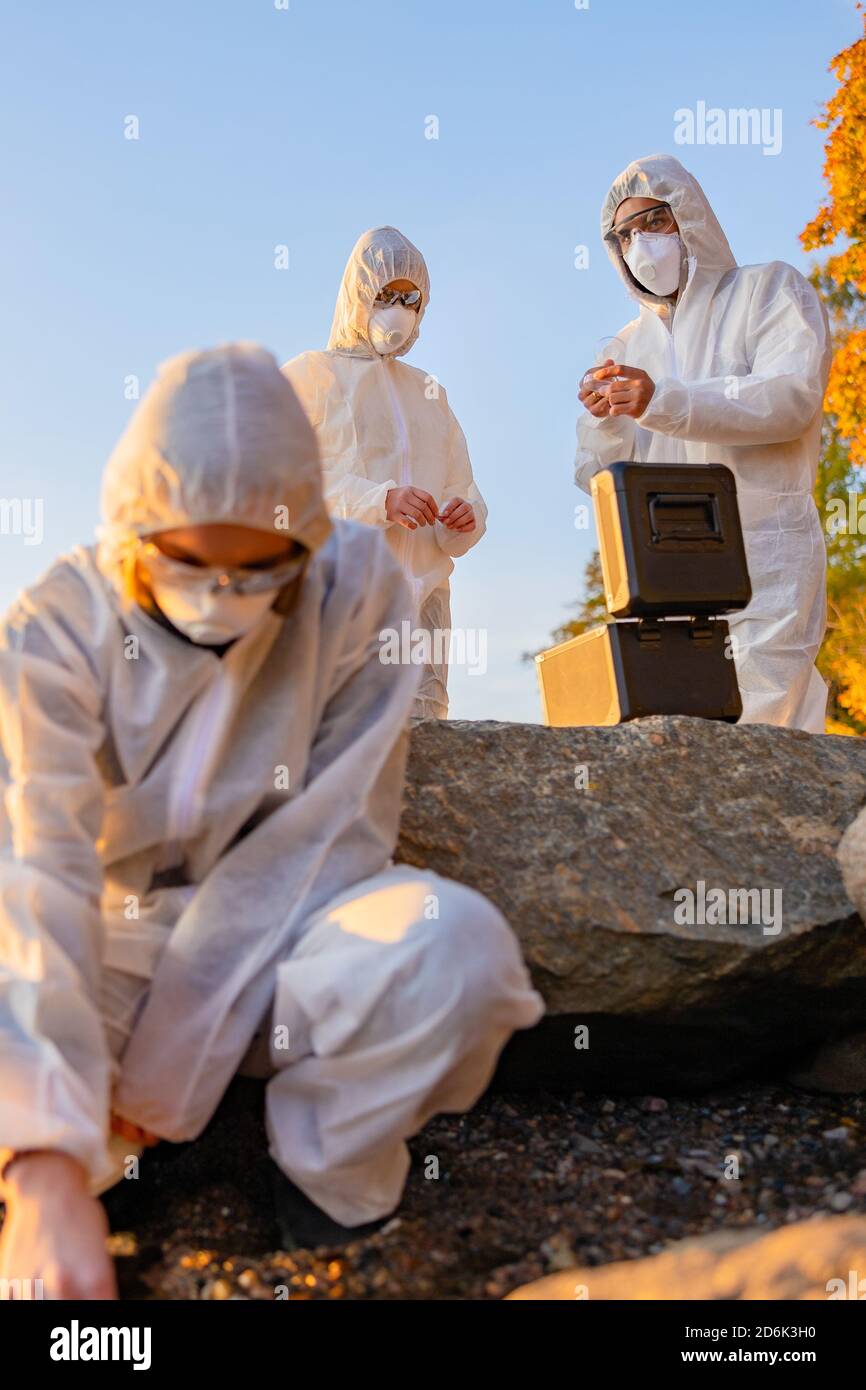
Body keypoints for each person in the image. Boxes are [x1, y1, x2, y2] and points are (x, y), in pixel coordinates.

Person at [0, 344, 543, 1299]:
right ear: (133, 529)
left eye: (261, 571)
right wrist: (42, 1165)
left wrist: (149, 1101)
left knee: (451, 951)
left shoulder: (359, 585)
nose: (223, 598)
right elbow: (36, 868)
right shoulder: (51, 628)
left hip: (291, 936)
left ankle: (327, 1177)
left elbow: (321, 839)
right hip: (111, 949)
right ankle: (71, 1163)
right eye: (188, 565)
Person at [575, 154, 831, 733]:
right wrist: (605, 420)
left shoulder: (767, 291)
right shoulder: (625, 345)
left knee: (768, 732)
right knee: (682, 741)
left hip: (766, 558)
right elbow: (599, 478)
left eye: (655, 222)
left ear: (690, 216)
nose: (641, 243)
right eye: (625, 234)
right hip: (668, 573)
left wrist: (660, 400)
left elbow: (788, 398)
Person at [283, 226, 486, 719]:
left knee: (423, 764)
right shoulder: (309, 376)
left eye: (410, 298)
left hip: (424, 611)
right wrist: (379, 500)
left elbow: (464, 488)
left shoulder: (429, 393)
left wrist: (465, 518)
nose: (399, 308)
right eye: (385, 294)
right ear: (359, 292)